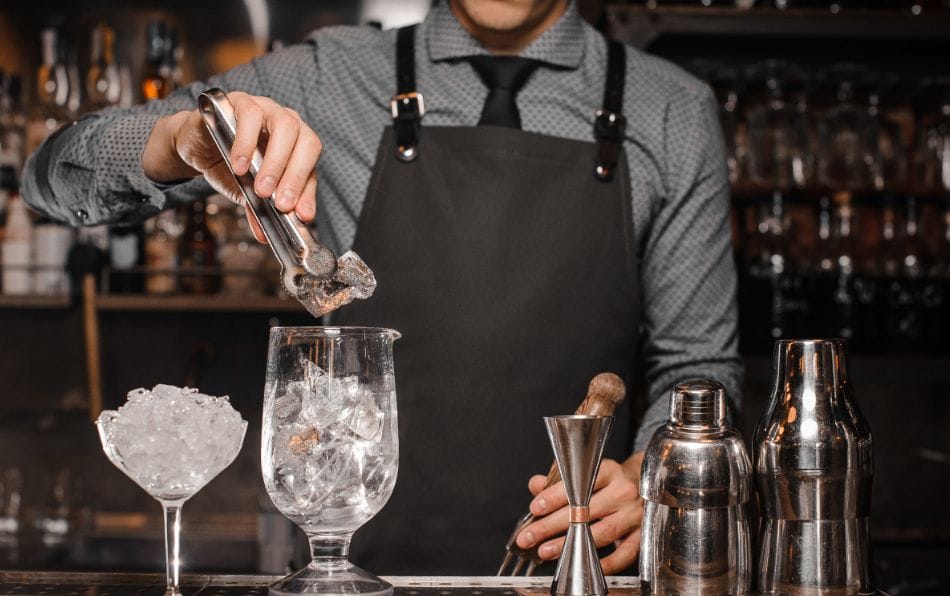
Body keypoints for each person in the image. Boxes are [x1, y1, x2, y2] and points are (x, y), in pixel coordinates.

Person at [22, 0, 742, 576]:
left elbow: (698, 370)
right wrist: (178, 141)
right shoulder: (326, 76)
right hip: (349, 572)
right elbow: (50, 179)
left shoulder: (671, 110)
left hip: (576, 569)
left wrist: (653, 477)